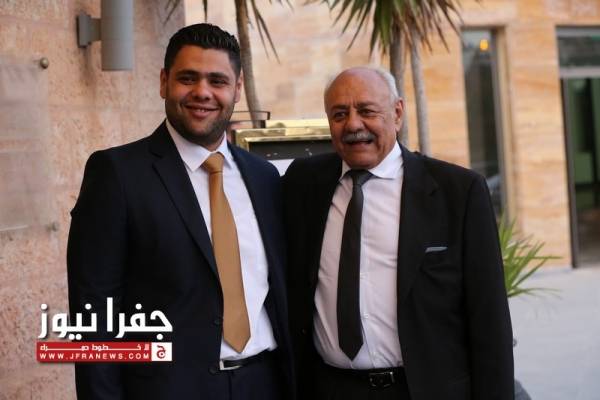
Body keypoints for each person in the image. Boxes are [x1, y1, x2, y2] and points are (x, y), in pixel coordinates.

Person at [67, 23, 293, 400]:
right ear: (163, 82)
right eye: (188, 78)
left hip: (264, 384)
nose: (202, 92)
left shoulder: (264, 177)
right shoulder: (118, 174)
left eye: (217, 81)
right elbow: (94, 314)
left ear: (237, 88)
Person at [283, 66, 514, 400]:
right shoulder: (302, 183)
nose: (353, 125)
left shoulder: (458, 192)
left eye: (367, 111)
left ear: (397, 113)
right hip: (329, 389)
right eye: (339, 114)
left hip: (422, 390)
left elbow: (489, 319)